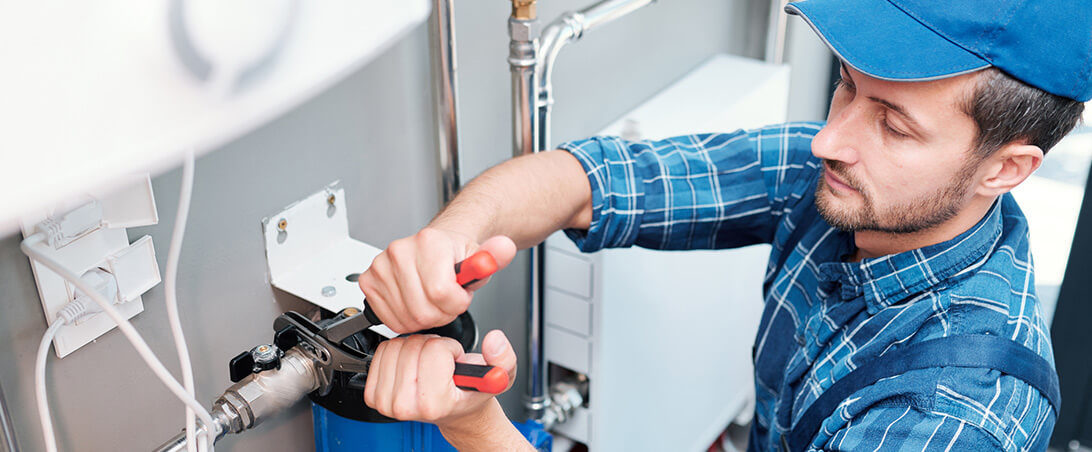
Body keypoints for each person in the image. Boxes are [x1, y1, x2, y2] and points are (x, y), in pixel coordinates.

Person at [360, 0, 1090, 450]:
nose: (828, 140)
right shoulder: (845, 179)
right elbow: (589, 180)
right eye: (847, 85)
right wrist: (451, 240)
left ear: (1005, 169)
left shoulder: (958, 414)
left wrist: (472, 425)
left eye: (893, 126)